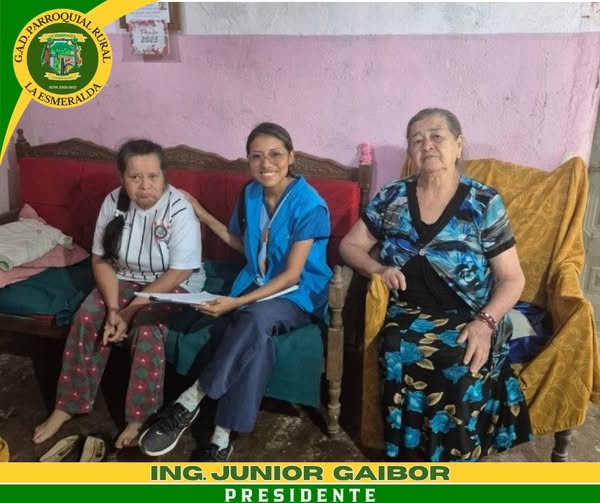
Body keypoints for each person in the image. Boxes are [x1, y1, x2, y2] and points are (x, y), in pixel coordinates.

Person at [339, 108, 533, 462]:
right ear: (410, 152)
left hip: (471, 314)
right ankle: (410, 461)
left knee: (460, 367)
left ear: (458, 145)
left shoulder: (483, 201)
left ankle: (454, 465)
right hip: (408, 313)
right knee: (395, 347)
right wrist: (377, 269)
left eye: (436, 136)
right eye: (417, 140)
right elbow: (349, 245)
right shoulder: (392, 197)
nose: (426, 145)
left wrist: (486, 323)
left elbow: (512, 278)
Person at [138, 122, 332, 461]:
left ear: (291, 157)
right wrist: (202, 215)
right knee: (257, 342)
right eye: (256, 156)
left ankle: (191, 398)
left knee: (253, 318)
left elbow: (291, 275)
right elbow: (246, 247)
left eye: (275, 155)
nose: (266, 164)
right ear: (248, 161)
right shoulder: (251, 194)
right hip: (257, 282)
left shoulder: (310, 205)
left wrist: (237, 302)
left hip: (298, 292)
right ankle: (222, 436)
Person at [33, 139, 205, 449]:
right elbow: (100, 259)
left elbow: (179, 272)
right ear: (122, 177)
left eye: (152, 176)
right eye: (135, 177)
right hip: (122, 277)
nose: (144, 185)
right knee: (87, 317)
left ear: (164, 175)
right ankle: (67, 405)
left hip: (169, 284)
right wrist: (114, 309)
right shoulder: (113, 201)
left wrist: (129, 312)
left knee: (147, 329)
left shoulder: (179, 207)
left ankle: (139, 417)